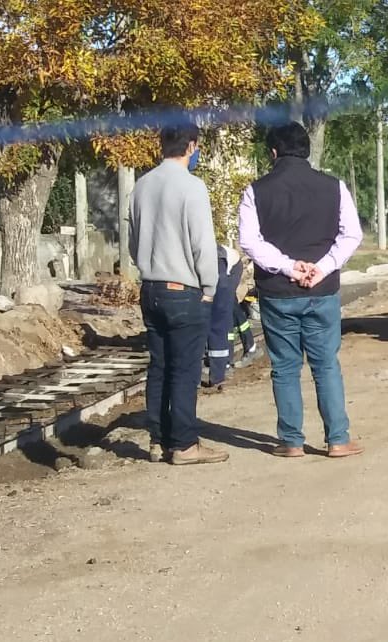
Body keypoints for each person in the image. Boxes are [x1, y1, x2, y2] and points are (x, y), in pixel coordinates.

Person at [238, 121, 365, 459]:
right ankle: (338, 439)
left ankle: (291, 441)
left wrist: (289, 266)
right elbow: (352, 235)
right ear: (306, 151)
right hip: (322, 291)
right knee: (326, 364)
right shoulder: (334, 187)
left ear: (273, 153)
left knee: (284, 367)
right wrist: (320, 268)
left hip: (278, 292)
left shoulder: (255, 191)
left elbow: (250, 241)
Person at [130, 122, 229, 465]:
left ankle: (157, 441)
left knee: (158, 367)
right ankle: (184, 444)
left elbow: (132, 243)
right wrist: (210, 286)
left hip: (151, 288)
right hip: (184, 289)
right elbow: (202, 242)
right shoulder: (192, 187)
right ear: (191, 146)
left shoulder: (141, 186)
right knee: (185, 370)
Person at [202, 244, 245, 392]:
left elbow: (219, 286)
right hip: (215, 272)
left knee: (220, 317)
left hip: (231, 269)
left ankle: (221, 370)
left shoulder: (215, 259)